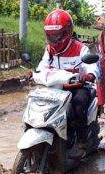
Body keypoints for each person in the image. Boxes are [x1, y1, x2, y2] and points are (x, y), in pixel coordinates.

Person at [36, 9, 100, 156]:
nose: (54, 38)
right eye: (51, 35)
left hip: (77, 87)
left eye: (57, 35)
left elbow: (92, 66)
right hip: (56, 88)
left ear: (67, 32)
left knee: (78, 104)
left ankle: (82, 141)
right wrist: (34, 73)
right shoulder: (49, 50)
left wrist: (89, 75)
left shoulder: (80, 48)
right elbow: (42, 66)